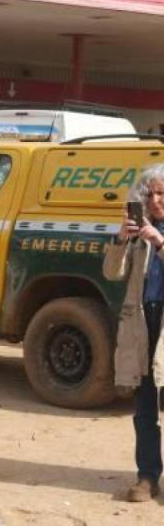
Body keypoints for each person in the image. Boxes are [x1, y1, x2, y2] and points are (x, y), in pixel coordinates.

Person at [103, 163, 164, 503]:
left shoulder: (154, 236)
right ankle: (147, 477)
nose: (155, 200)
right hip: (143, 324)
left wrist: (159, 242)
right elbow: (112, 273)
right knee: (144, 409)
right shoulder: (140, 231)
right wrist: (121, 239)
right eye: (149, 194)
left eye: (161, 194)